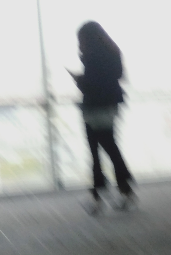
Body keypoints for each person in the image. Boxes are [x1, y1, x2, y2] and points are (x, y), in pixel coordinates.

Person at [70, 21, 134, 214]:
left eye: (80, 39)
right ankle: (123, 190)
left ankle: (98, 197)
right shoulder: (113, 52)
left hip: (94, 108)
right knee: (111, 147)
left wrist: (78, 80)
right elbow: (116, 77)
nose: (79, 43)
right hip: (110, 106)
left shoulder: (92, 56)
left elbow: (91, 84)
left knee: (96, 151)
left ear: (88, 38)